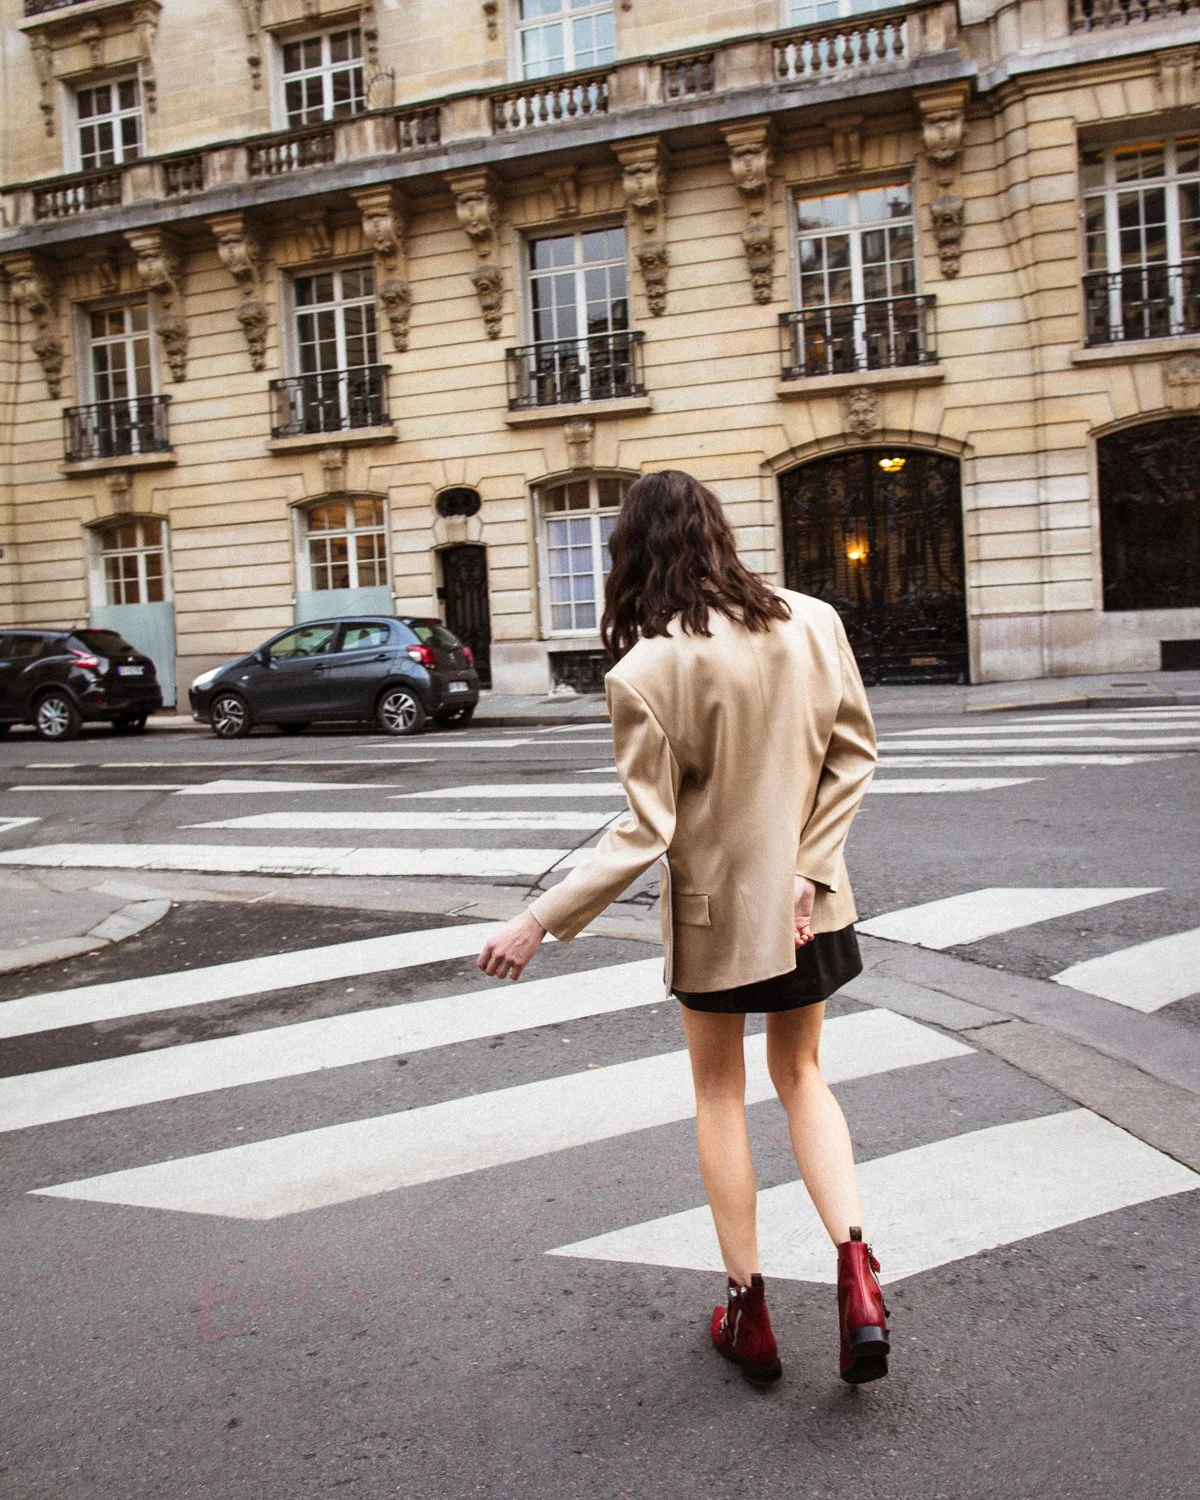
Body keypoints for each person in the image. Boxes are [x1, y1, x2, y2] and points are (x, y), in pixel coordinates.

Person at [478, 469, 888, 1387]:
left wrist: (540, 919)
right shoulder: (813, 621)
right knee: (805, 1074)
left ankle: (750, 1314)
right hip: (808, 911)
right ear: (716, 534)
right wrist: (809, 871)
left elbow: (644, 828)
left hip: (715, 921)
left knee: (719, 1097)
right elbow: (853, 758)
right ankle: (858, 1277)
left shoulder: (646, 670)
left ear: (635, 553)